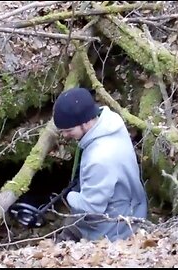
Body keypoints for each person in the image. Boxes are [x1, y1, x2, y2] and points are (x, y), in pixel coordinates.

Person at [52, 87, 148, 242]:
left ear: (86, 122)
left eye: (68, 130)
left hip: (116, 225)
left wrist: (70, 196)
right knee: (68, 224)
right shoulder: (110, 121)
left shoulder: (99, 158)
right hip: (134, 204)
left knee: (64, 240)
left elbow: (91, 209)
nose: (64, 136)